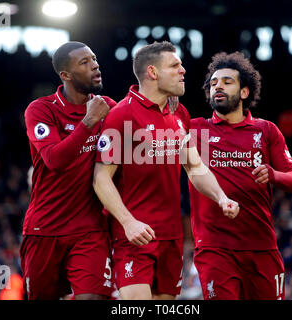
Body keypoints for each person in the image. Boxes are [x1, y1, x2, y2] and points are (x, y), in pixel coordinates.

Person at [93, 41, 239, 300]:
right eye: (175, 65)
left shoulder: (179, 113)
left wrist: (221, 196)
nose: (183, 70)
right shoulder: (122, 114)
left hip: (172, 237)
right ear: (152, 72)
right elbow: (101, 179)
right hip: (134, 237)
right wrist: (128, 223)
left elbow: (194, 167)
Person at [189, 51, 292, 300]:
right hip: (215, 247)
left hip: (262, 247)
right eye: (214, 83)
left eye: (227, 81)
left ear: (244, 92)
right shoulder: (195, 129)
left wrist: (273, 174)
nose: (218, 86)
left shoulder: (266, 130)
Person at [20, 41, 116, 300]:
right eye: (84, 63)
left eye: (94, 59)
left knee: (93, 297)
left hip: (90, 229)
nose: (95, 65)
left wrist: (162, 95)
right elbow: (54, 160)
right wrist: (89, 122)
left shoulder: (108, 107)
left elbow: (141, 121)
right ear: (66, 75)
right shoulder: (41, 109)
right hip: (44, 228)